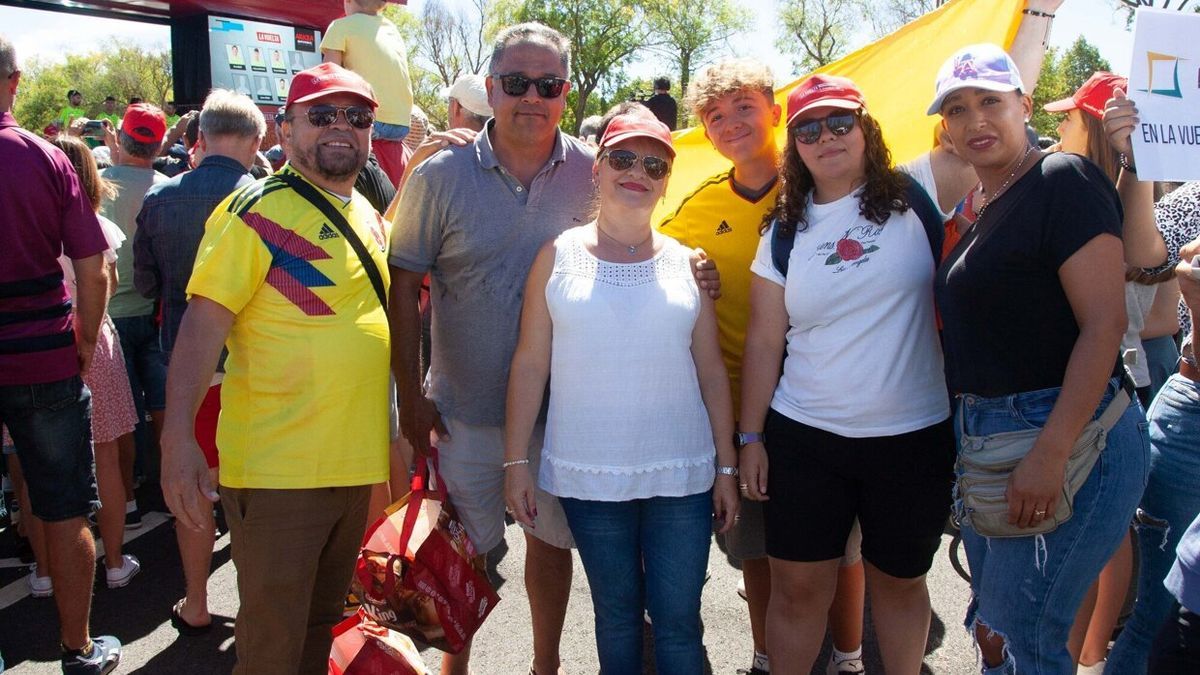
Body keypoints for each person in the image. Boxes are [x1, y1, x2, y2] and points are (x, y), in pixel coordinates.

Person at [389, 22, 719, 675]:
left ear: (565, 93)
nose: (532, 96)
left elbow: (646, 239)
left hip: (567, 419)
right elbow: (404, 292)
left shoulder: (595, 168)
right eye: (516, 83)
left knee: (552, 546)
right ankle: (455, 670)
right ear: (491, 88)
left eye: (548, 84)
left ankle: (546, 664)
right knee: (465, 557)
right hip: (464, 411)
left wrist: (700, 265)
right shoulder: (442, 176)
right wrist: (410, 399)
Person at [738, 62, 977, 673]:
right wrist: (751, 437)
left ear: (865, 128)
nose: (826, 137)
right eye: (809, 130)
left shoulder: (919, 192)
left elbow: (994, 131)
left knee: (899, 586)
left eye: (840, 122)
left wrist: (1034, 14)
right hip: (806, 438)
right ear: (793, 146)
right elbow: (766, 341)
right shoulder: (784, 230)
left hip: (912, 438)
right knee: (797, 594)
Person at [159, 62, 390, 674]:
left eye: (356, 116)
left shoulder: (367, 213)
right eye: (321, 115)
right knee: (269, 645)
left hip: (352, 466)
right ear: (283, 131)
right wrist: (178, 437)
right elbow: (202, 325)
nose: (341, 127)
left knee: (318, 629)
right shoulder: (253, 209)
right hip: (278, 472)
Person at [931, 43, 1148, 672]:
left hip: (1067, 436)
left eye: (990, 102)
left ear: (1024, 105)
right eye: (958, 109)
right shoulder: (984, 209)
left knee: (1027, 634)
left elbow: (1104, 324)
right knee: (999, 627)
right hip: (990, 440)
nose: (976, 120)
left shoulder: (1063, 179)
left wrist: (1049, 453)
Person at [504, 111, 739, 672]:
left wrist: (726, 468)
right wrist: (515, 460)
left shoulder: (689, 264)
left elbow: (710, 372)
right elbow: (531, 363)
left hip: (681, 476)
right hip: (591, 473)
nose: (638, 172)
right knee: (615, 617)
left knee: (680, 623)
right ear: (598, 168)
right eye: (623, 158)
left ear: (666, 179)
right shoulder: (556, 256)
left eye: (654, 164)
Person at [663, 57, 864, 675]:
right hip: (738, 403)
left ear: (775, 111)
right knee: (757, 541)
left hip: (827, 395)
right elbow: (644, 261)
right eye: (716, 116)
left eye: (744, 106)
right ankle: (766, 655)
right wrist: (684, 270)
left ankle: (849, 655)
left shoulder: (826, 179)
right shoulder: (694, 209)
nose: (732, 123)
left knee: (841, 543)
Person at [0, 34, 122, 673]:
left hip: (39, 356)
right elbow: (94, 268)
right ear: (14, 81)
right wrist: (81, 343)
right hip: (44, 357)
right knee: (65, 504)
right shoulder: (43, 158)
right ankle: (77, 648)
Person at [1042, 70, 1164, 673]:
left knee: (1105, 535)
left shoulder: (1122, 190)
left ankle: (1085, 656)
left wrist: (1134, 166)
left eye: (1066, 116)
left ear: (1092, 122)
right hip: (1060, 383)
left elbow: (1146, 259)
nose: (1054, 125)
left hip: (1113, 388)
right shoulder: (1056, 184)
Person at [133, 88, 264, 635]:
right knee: (254, 497)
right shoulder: (268, 201)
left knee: (193, 488)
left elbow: (145, 284)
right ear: (258, 142)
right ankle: (258, 610)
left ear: (199, 139)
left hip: (185, 366)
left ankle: (196, 601)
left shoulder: (160, 200)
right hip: (251, 370)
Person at [1103, 94, 1200, 675]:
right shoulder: (1187, 207)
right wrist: (1135, 165)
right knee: (1164, 613)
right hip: (1190, 411)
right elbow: (1142, 269)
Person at [100, 102, 170, 527]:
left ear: (121, 139)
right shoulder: (168, 185)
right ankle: (167, 488)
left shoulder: (100, 184)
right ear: (159, 145)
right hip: (158, 311)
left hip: (114, 312)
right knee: (165, 407)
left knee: (120, 416)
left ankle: (124, 501)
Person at [322, 0, 415, 183]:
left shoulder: (340, 26)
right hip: (401, 125)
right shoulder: (391, 30)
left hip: (370, 121)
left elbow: (328, 79)